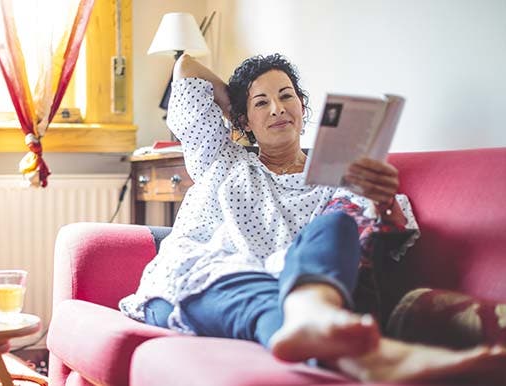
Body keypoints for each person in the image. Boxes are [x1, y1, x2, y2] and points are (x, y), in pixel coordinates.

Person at [119, 53, 506, 382]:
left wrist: (382, 200)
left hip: (290, 286)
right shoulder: (220, 158)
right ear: (243, 121)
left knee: (336, 223)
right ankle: (360, 350)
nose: (277, 109)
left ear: (304, 107)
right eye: (261, 103)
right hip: (194, 281)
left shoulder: (336, 179)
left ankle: (313, 317)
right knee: (262, 301)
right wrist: (236, 101)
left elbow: (381, 239)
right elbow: (186, 65)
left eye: (287, 96)